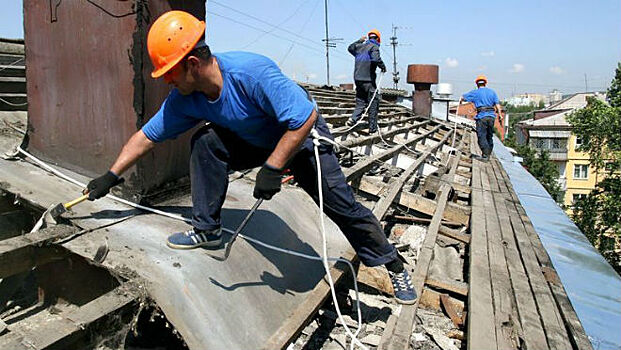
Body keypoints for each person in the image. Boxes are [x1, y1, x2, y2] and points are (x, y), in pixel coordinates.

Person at [83, 11, 416, 304]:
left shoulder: (251, 72)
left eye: (170, 73)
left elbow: (303, 119)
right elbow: (146, 137)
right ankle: (207, 230)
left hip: (302, 139)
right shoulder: (185, 98)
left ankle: (392, 264)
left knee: (341, 207)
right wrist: (111, 176)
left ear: (193, 65)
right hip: (256, 141)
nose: (167, 81)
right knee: (207, 141)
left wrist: (273, 168)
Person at [345, 29, 387, 133]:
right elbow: (375, 59)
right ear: (377, 39)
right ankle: (372, 129)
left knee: (361, 102)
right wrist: (383, 67)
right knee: (373, 103)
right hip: (368, 80)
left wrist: (359, 41)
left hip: (357, 79)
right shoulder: (374, 47)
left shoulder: (359, 47)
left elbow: (350, 48)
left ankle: (353, 119)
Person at [461, 75, 502, 160]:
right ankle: (488, 153)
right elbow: (497, 105)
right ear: (485, 83)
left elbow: (463, 97)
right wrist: (500, 115)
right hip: (491, 117)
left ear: (477, 84)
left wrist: (462, 100)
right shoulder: (492, 92)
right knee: (489, 135)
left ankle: (485, 155)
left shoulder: (475, 93)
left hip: (482, 117)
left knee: (482, 136)